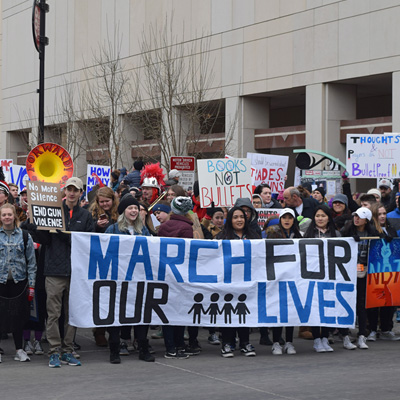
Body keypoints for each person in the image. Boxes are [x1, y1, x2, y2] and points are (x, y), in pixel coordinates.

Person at [25, 177, 95, 368]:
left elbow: (87, 243)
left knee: (72, 313)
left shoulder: (86, 216)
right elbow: (44, 240)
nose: (72, 193)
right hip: (54, 270)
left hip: (76, 271)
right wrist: (33, 224)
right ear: (64, 191)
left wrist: (65, 235)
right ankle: (54, 351)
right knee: (53, 313)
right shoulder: (53, 211)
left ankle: (68, 349)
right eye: (69, 189)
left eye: (76, 190)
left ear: (81, 193)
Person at [105, 194, 154, 363]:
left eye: (135, 208)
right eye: (130, 208)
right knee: (116, 313)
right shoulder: (112, 229)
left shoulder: (144, 230)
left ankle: (143, 346)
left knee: (141, 312)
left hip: (139, 279)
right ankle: (115, 349)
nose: (134, 211)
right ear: (123, 212)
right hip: (118, 280)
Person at [217, 206, 258, 358]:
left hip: (248, 282)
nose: (239, 220)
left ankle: (245, 342)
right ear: (230, 220)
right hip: (228, 282)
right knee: (228, 311)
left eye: (241, 217)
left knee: (245, 312)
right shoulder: (222, 237)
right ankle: (227, 343)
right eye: (235, 217)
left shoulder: (254, 237)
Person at [158, 196, 194, 359]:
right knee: (179, 311)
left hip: (166, 273)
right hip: (181, 274)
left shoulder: (163, 227)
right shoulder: (187, 228)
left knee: (168, 310)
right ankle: (177, 344)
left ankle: (171, 345)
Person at [0, 204, 36, 362]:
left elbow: (32, 263)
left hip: (19, 282)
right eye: (4, 215)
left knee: (18, 317)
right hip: (1, 282)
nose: (7, 217)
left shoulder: (25, 236)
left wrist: (32, 285)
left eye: (9, 214)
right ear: (0, 217)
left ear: (14, 216)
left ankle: (19, 349)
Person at [265, 208, 302, 355]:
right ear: (280, 219)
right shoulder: (272, 231)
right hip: (276, 276)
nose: (287, 220)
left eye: (290, 218)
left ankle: (289, 342)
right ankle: (276, 342)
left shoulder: (298, 234)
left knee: (290, 310)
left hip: (292, 276)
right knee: (278, 310)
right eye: (284, 217)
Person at [340, 207, 378, 350]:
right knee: (346, 303)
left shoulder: (372, 234)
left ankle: (362, 335)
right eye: (355, 216)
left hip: (364, 273)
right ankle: (345, 336)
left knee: (361, 304)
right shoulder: (347, 231)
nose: (356, 219)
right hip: (347, 273)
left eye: (360, 217)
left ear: (366, 220)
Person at [304, 205, 340, 353]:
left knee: (327, 307)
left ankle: (325, 337)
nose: (320, 218)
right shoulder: (308, 234)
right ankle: (317, 339)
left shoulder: (336, 233)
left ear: (328, 218)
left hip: (331, 276)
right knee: (315, 307)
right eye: (317, 215)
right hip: (313, 275)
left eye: (323, 216)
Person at [366, 203, 400, 342]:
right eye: (379, 214)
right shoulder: (371, 230)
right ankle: (372, 329)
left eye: (384, 213)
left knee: (389, 300)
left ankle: (387, 329)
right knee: (375, 300)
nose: (382, 216)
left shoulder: (391, 229)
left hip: (390, 270)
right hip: (374, 270)